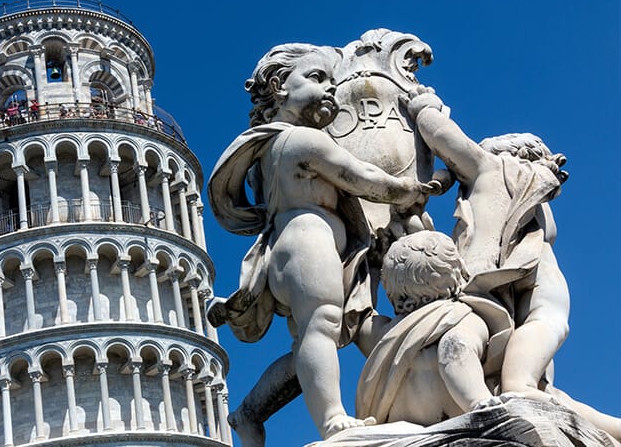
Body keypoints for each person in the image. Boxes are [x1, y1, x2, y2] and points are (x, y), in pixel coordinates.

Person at [208, 43, 437, 441]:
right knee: (322, 326)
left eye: (333, 80)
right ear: (279, 86)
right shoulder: (301, 140)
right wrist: (409, 189)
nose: (330, 88)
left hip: (302, 245)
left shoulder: (268, 148)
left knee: (312, 339)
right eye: (317, 78)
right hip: (307, 240)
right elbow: (361, 177)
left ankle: (250, 411)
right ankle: (332, 418)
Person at [354, 231, 621, 441]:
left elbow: (361, 318)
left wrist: (372, 268)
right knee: (561, 402)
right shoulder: (460, 316)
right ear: (458, 274)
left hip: (405, 422)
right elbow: (455, 349)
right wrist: (480, 401)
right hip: (464, 409)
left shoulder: (387, 333)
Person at [405, 87, 571, 404]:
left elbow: (443, 136)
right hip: (542, 277)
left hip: (492, 276)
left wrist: (424, 107)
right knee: (546, 322)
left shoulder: (489, 167)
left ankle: (518, 384)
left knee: (533, 326)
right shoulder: (540, 194)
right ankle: (522, 381)